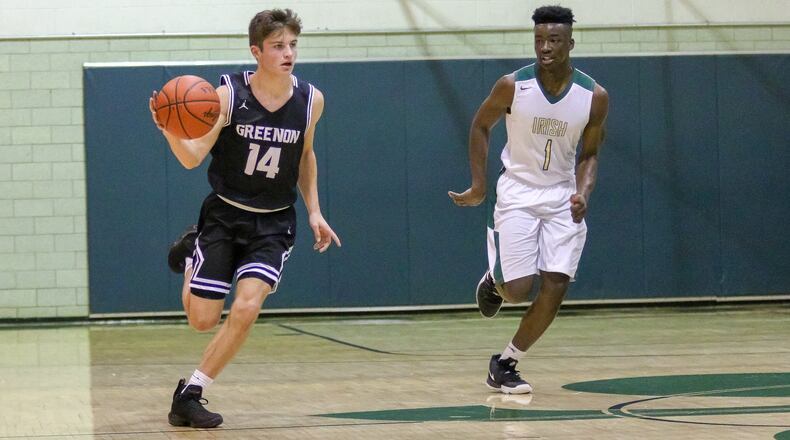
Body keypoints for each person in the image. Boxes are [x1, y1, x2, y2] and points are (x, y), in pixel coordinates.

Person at [149, 9, 340, 427]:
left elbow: (305, 155)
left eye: (293, 45)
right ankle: (191, 254)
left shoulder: (311, 100)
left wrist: (315, 211)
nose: (288, 53)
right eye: (278, 46)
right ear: (256, 51)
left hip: (273, 223)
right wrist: (169, 128)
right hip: (224, 215)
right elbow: (192, 158)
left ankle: (191, 392)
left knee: (248, 306)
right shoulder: (228, 96)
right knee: (202, 321)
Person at [449, 5, 609, 394]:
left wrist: (583, 192)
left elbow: (589, 154)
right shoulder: (512, 85)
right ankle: (495, 280)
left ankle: (505, 363)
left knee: (556, 285)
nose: (545, 48)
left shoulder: (594, 96)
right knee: (518, 290)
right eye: (539, 40)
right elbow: (480, 125)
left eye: (554, 40)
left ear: (570, 43)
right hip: (518, 191)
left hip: (561, 196)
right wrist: (479, 184)